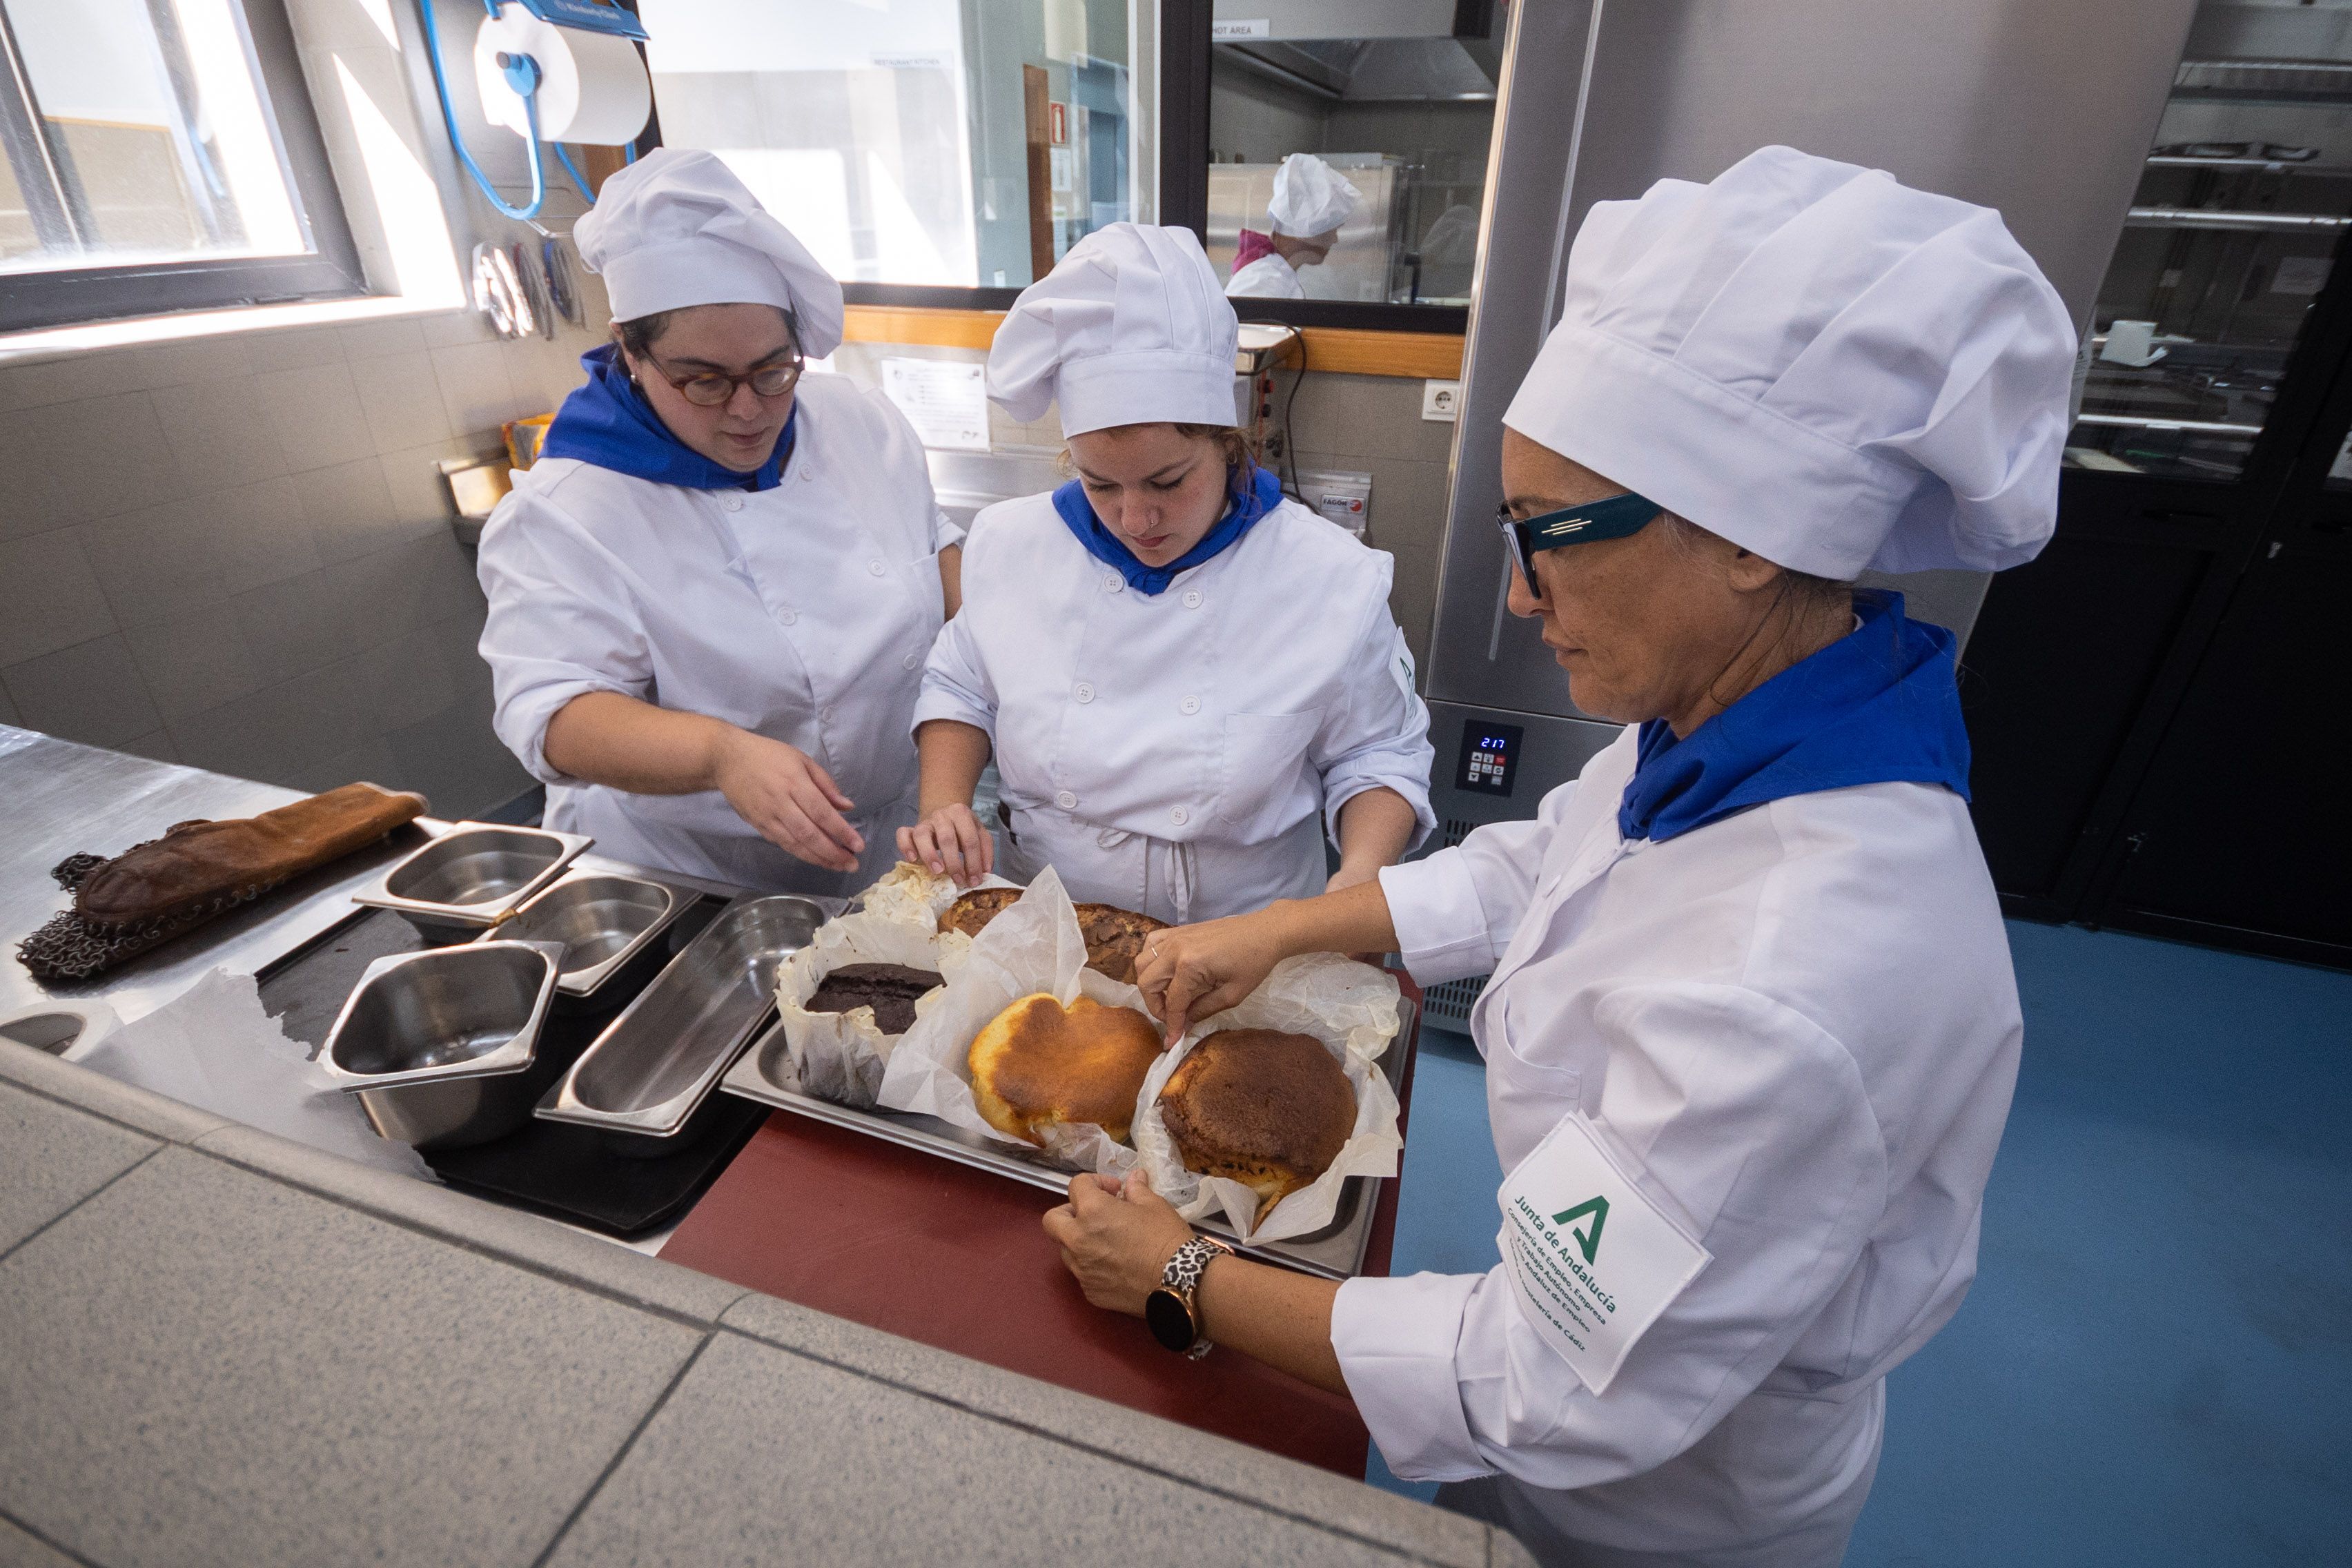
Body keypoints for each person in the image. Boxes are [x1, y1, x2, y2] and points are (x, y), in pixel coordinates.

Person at [1043, 146, 2077, 1566]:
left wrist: (1178, 1269)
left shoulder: (1798, 971)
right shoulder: (1741, 721)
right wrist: (1289, 927)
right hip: (1572, 1367)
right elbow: (1542, 866)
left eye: (1554, 540)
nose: (1523, 595)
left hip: (1667, 1501)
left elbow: (1544, 1375)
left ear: (1752, 542)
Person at [899, 222, 1434, 923]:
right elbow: (959, 686)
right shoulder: (1011, 546)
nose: (1136, 518)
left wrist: (1359, 877)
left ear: (1226, 441)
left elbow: (1378, 756)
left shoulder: (1326, 577)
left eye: (1168, 481)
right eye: (1101, 485)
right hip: (1051, 933)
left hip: (1245, 944)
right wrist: (945, 805)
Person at [476, 149, 961, 894]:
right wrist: (719, 754)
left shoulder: (856, 420)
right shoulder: (567, 510)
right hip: (684, 880)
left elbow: (934, 551)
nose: (748, 410)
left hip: (881, 854)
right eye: (703, 380)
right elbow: (555, 715)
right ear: (631, 351)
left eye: (773, 370)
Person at [1226, 153, 1360, 300]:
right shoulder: (1265, 280)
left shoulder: (1276, 274)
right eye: (1332, 230)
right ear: (1307, 232)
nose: (1335, 240)